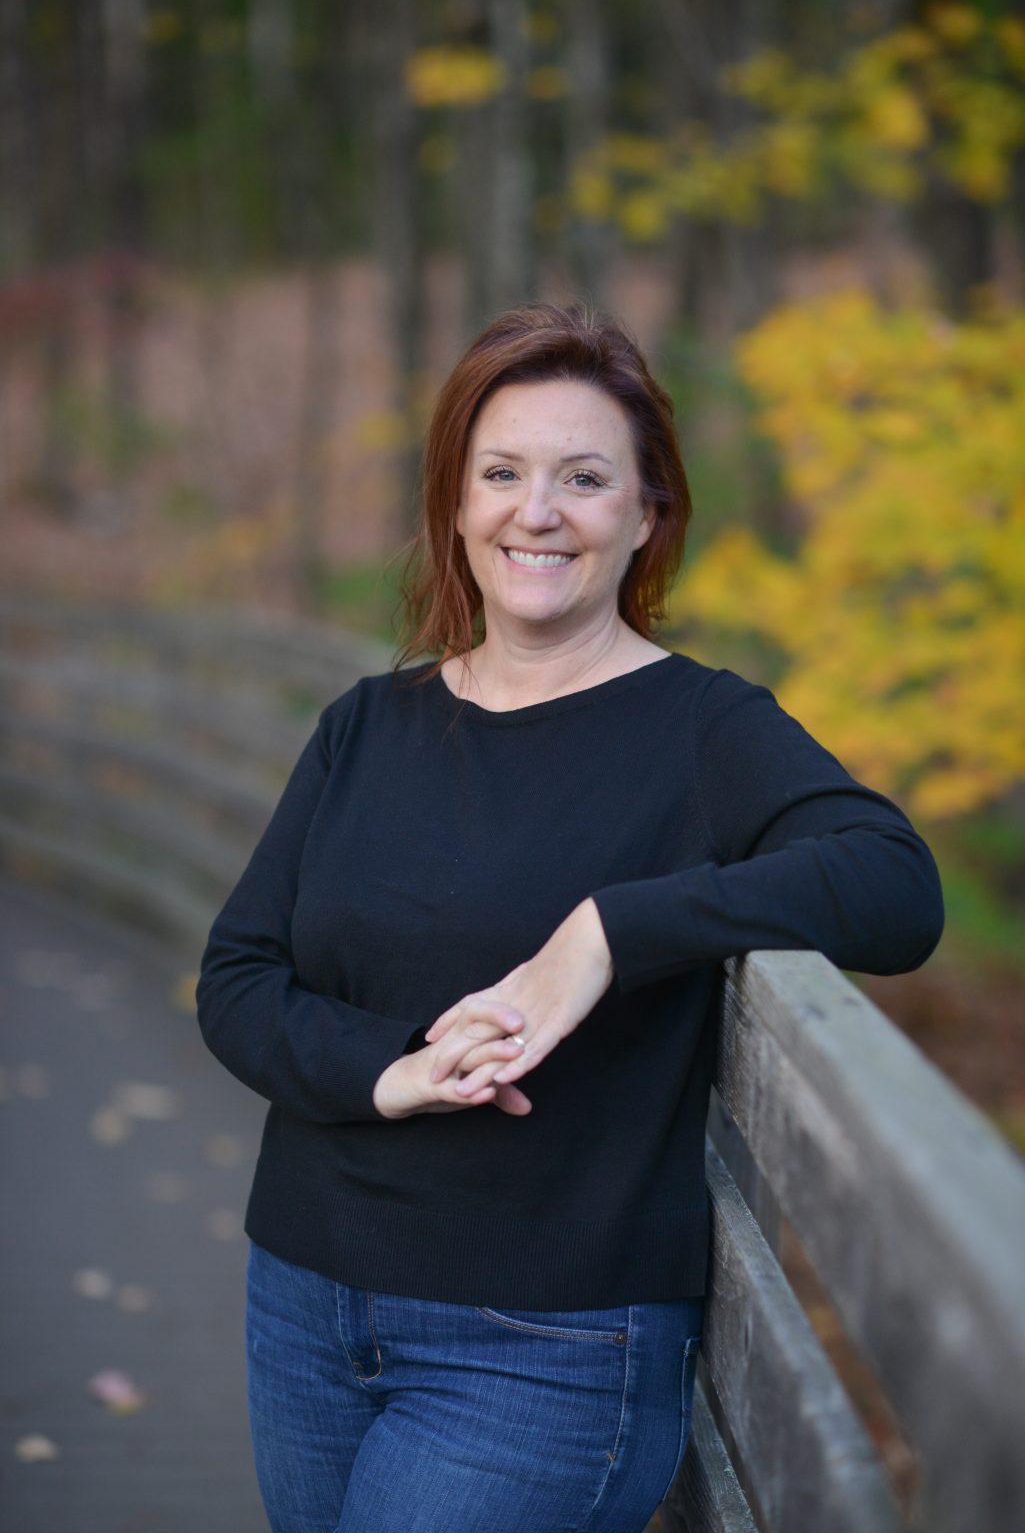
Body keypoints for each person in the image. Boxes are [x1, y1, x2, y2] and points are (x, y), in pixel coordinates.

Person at [195, 300, 944, 1533]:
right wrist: (389, 1071)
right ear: (454, 503)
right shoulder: (365, 727)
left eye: (582, 478)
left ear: (646, 516)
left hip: (543, 1346)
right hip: (303, 1302)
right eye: (501, 474)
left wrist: (607, 933)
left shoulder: (700, 729)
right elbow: (237, 977)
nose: (534, 512)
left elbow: (891, 886)